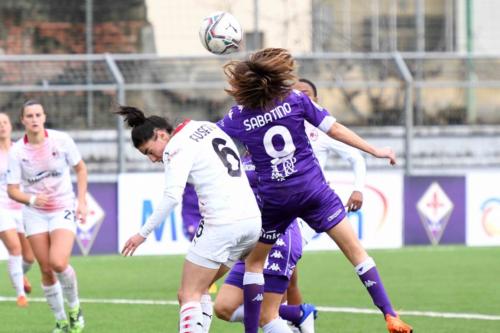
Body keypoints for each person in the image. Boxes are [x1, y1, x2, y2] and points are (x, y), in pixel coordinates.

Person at [217, 48, 412, 333]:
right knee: (356, 252)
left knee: (254, 264)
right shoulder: (295, 99)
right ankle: (390, 314)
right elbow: (335, 129)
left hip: (276, 200)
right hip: (314, 192)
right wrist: (376, 150)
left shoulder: (238, 117)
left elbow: (211, 139)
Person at [115, 106, 262, 333]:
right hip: (251, 222)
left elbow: (172, 197)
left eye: (149, 151)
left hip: (223, 223)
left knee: (187, 294)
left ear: (162, 134)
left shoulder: (176, 147)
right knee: (200, 289)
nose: (153, 159)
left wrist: (141, 234)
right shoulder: (203, 125)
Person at [7, 100, 87, 333]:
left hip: (62, 207)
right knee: (45, 269)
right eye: (29, 116)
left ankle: (74, 309)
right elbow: (12, 189)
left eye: (38, 115)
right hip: (34, 214)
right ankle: (61, 320)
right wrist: (31, 200)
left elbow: (80, 169)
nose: (34, 119)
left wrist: (81, 201)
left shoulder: (61, 140)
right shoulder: (17, 152)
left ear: (44, 117)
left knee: (58, 262)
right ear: (22, 120)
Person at [286, 78, 368, 306]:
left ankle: (284, 319)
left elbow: (356, 158)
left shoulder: (321, 131)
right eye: (296, 93)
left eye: (306, 93)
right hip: (283, 204)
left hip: (309, 207)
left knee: (277, 268)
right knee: (287, 276)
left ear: (315, 100)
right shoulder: (282, 126)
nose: (301, 96)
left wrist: (358, 189)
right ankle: (295, 320)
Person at [213, 154, 317, 333]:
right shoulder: (240, 158)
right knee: (223, 307)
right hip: (250, 243)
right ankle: (297, 313)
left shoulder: (277, 156)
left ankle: (296, 314)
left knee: (267, 315)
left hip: (277, 237)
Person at [0, 112, 34, 307]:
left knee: (29, 257)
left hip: (21, 207)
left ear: (11, 126)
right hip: (1, 208)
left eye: (5, 122)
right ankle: (21, 295)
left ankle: (20, 275)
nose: (2, 126)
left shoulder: (19, 150)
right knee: (15, 248)